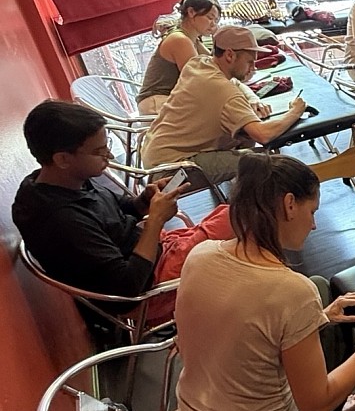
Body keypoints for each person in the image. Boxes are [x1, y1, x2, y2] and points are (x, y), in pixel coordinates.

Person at [174, 153, 355, 411]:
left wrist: (320, 317)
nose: (314, 225)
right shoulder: (291, 291)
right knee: (351, 332)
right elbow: (314, 407)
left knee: (320, 288)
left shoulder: (201, 254)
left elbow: (244, 328)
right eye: (312, 211)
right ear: (289, 205)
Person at [11, 101, 232, 311]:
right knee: (242, 218)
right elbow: (127, 287)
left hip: (156, 250)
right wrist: (155, 221)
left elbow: (121, 211)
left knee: (232, 215)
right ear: (63, 159)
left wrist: (145, 200)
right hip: (150, 288)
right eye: (98, 151)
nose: (108, 155)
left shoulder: (65, 180)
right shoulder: (62, 220)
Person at [140, 25, 307, 183]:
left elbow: (235, 84)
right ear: (230, 55)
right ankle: (249, 202)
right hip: (172, 168)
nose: (253, 68)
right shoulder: (223, 91)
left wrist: (252, 99)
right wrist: (295, 111)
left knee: (243, 139)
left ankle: (240, 195)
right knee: (265, 162)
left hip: (154, 153)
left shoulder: (199, 64)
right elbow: (263, 134)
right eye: (249, 62)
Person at [136, 0, 221, 115]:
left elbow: (214, 65)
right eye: (210, 17)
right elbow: (199, 79)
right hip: (157, 103)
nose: (213, 24)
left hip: (168, 100)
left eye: (216, 21)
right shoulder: (179, 40)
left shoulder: (192, 39)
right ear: (191, 12)